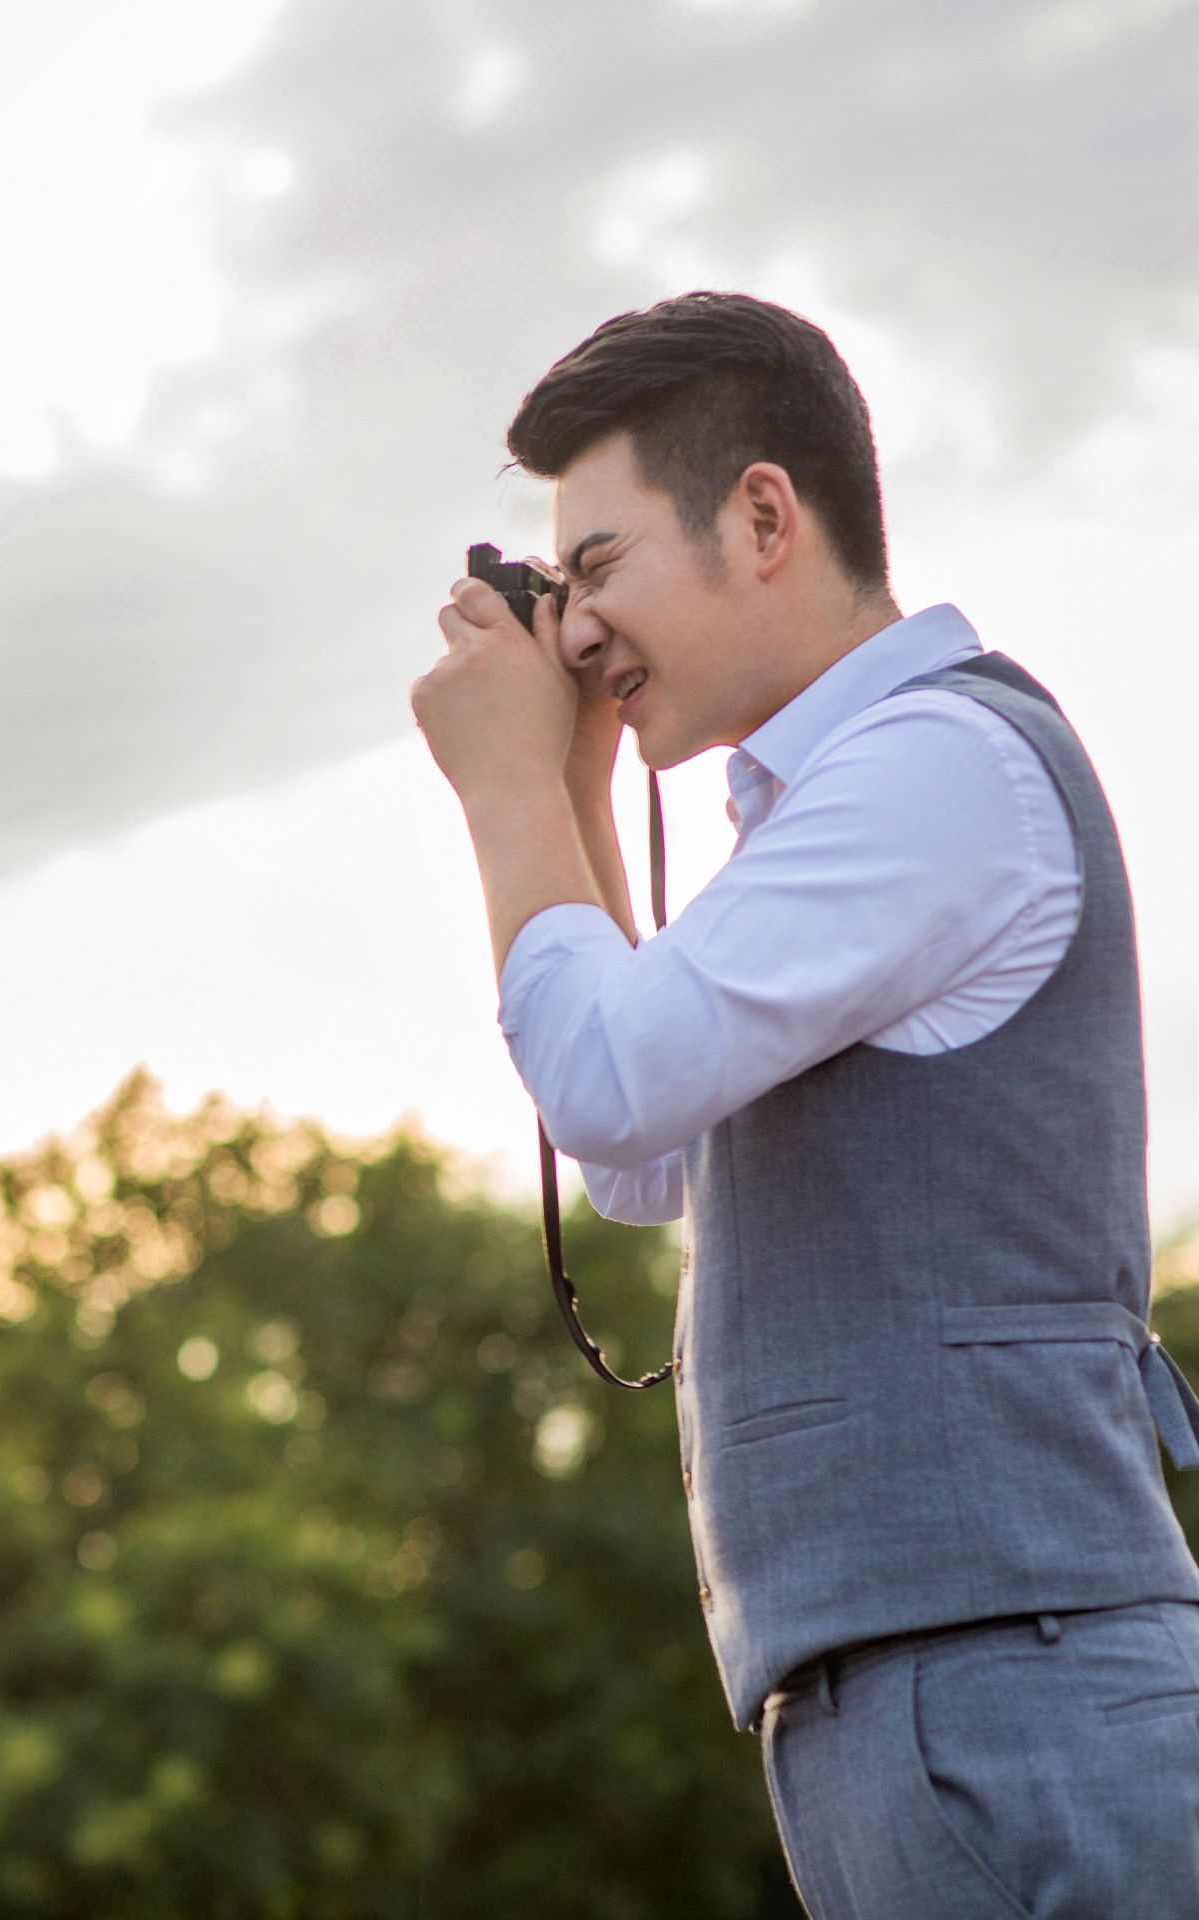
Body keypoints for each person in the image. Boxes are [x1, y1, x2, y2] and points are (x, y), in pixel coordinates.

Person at [409, 291, 1199, 1916]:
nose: (576, 633)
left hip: (1010, 1680)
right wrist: (564, 785)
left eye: (603, 567)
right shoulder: (841, 808)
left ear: (763, 514)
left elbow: (609, 1082)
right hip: (935, 1693)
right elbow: (645, 1159)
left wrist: (502, 794)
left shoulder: (931, 770)